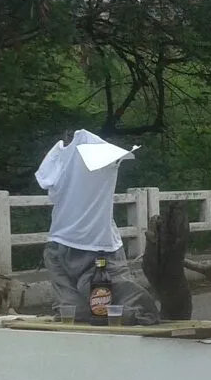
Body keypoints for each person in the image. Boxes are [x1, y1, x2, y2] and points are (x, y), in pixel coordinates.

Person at [35, 129, 160, 325]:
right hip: (93, 247)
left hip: (63, 244)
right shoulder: (102, 153)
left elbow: (45, 181)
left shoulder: (57, 157)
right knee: (119, 310)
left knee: (78, 313)